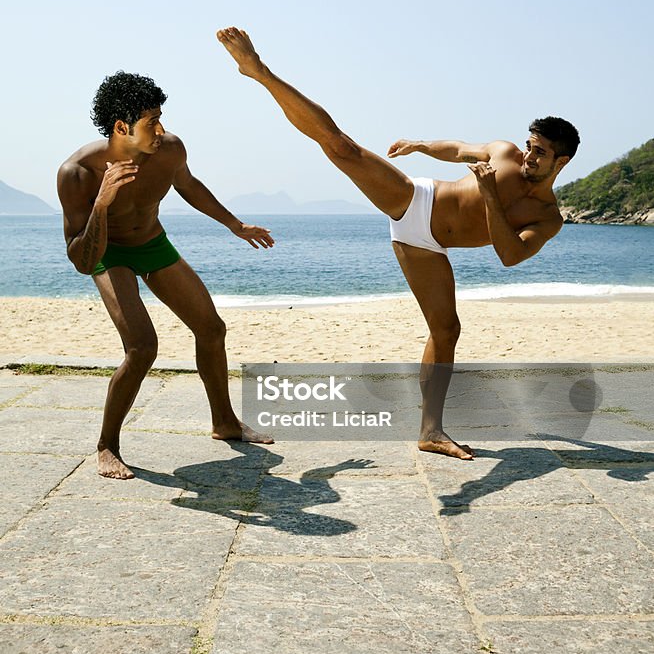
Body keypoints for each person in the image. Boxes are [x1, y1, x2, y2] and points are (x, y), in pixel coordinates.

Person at [216, 27, 580, 460]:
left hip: (426, 246)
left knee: (447, 330)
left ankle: (431, 432)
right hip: (415, 199)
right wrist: (420, 144)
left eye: (539, 152)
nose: (528, 156)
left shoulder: (547, 218)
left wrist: (487, 197)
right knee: (341, 147)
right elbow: (460, 148)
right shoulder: (503, 154)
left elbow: (509, 255)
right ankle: (259, 71)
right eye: (529, 146)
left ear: (562, 161)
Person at [57, 70, 275, 479]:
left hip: (153, 242)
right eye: (150, 121)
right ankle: (108, 444)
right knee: (142, 347)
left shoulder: (170, 150)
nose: (161, 129)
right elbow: (82, 260)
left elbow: (189, 185)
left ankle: (224, 422)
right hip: (107, 251)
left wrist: (234, 224)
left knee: (211, 328)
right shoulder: (79, 173)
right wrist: (102, 205)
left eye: (161, 117)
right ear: (121, 127)